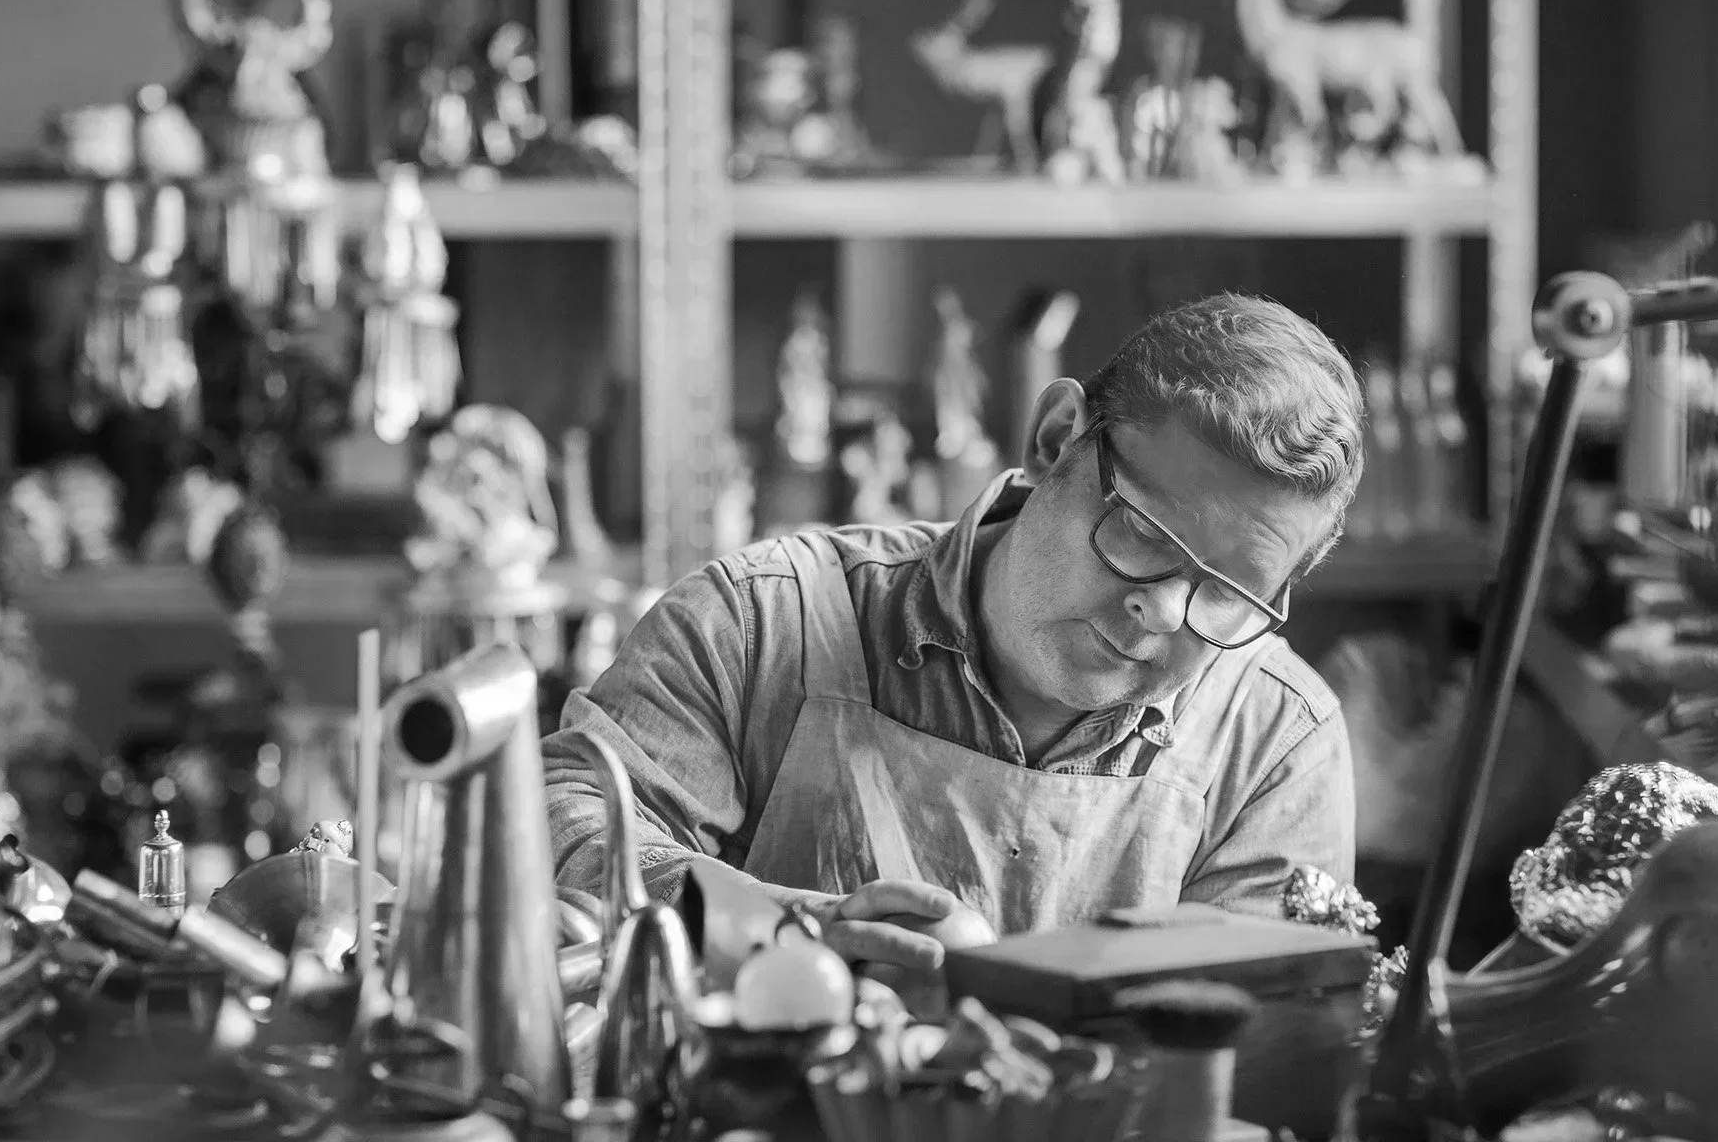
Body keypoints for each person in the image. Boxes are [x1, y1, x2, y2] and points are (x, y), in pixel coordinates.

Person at [544, 292, 1360, 987]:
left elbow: (1260, 1045)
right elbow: (557, 827)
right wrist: (784, 933)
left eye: (1226, 591)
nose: (1165, 612)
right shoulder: (761, 624)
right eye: (1144, 535)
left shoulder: (1274, 739)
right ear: (1055, 438)